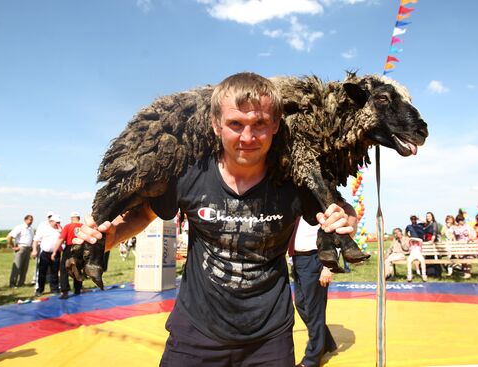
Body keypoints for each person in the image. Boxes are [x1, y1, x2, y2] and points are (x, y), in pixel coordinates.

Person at [75, 72, 356, 367]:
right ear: (215, 124)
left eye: (259, 124)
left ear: (275, 124)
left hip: (269, 340)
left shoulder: (292, 179)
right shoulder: (189, 172)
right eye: (236, 124)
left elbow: (339, 210)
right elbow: (143, 214)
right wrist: (109, 237)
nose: (247, 137)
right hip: (195, 334)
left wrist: (347, 219)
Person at [289, 217, 342, 367]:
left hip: (315, 258)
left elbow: (334, 236)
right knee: (300, 304)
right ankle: (326, 342)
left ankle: (312, 359)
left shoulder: (319, 207)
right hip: (298, 260)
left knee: (314, 310)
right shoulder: (298, 206)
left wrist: (328, 267)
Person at [52, 211, 83, 299]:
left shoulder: (68, 226)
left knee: (64, 269)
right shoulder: (83, 226)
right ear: (79, 218)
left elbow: (61, 239)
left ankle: (65, 291)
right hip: (80, 248)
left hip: (69, 248)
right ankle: (78, 289)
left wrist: (54, 251)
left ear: (71, 218)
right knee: (78, 269)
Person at [32, 214, 62, 297]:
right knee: (42, 272)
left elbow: (63, 240)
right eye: (56, 222)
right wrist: (34, 250)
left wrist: (60, 231)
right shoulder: (44, 229)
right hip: (45, 253)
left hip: (56, 253)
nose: (58, 224)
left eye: (59, 222)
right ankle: (40, 290)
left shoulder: (60, 229)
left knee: (54, 272)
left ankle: (55, 289)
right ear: (51, 222)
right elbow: (35, 240)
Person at [7, 215, 35, 287]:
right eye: (29, 219)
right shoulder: (20, 227)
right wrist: (13, 247)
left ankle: (21, 283)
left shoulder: (31, 229)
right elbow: (10, 236)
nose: (31, 221)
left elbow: (32, 240)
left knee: (25, 267)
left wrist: (32, 249)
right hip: (20, 247)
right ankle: (12, 283)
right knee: (17, 266)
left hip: (28, 248)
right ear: (25, 220)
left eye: (32, 220)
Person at [452, 213, 475, 279]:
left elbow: (471, 234)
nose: (462, 221)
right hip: (460, 244)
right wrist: (455, 244)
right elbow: (454, 237)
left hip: (467, 244)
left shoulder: (467, 227)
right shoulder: (455, 228)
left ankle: (468, 273)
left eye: (463, 220)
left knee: (468, 258)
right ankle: (465, 272)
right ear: (458, 221)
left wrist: (470, 238)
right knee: (462, 259)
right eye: (461, 220)